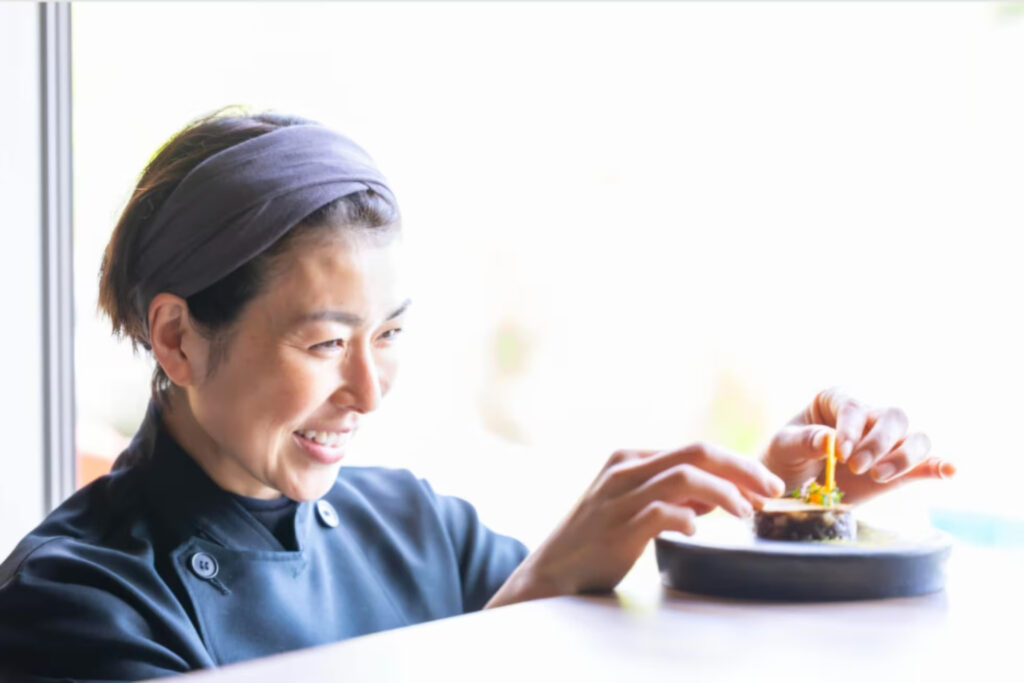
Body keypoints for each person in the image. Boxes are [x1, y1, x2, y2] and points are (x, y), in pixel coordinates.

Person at [0, 110, 955, 681]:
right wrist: (537, 591)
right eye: (325, 343)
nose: (368, 390)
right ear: (176, 337)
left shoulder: (416, 526)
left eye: (389, 335)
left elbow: (636, 651)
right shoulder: (74, 601)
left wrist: (782, 517)